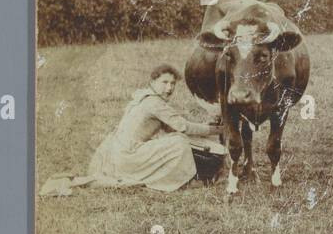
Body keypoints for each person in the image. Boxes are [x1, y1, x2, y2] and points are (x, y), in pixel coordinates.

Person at [41, 64, 220, 195]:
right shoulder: (154, 103)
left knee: (175, 139)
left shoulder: (142, 97)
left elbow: (171, 127)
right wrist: (219, 130)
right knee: (180, 143)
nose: (169, 88)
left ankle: (183, 177)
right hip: (129, 155)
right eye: (165, 82)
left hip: (116, 153)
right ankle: (185, 181)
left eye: (173, 84)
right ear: (153, 81)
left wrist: (209, 125)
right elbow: (184, 127)